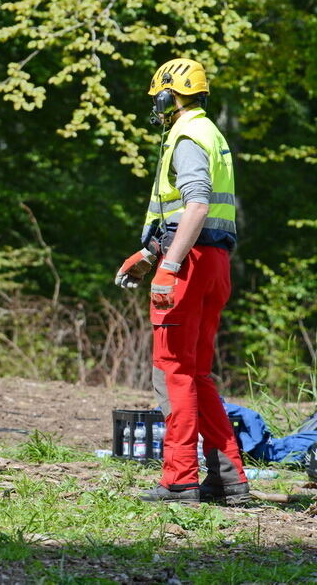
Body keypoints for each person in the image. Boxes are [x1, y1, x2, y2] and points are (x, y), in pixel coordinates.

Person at [115, 58, 249, 504]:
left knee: (173, 372)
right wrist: (150, 253)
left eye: (160, 98)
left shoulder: (187, 136)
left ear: (169, 96)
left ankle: (180, 479)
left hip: (188, 265)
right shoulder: (211, 131)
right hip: (213, 262)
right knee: (198, 374)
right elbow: (191, 218)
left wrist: (168, 267)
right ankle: (230, 477)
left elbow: (195, 206)